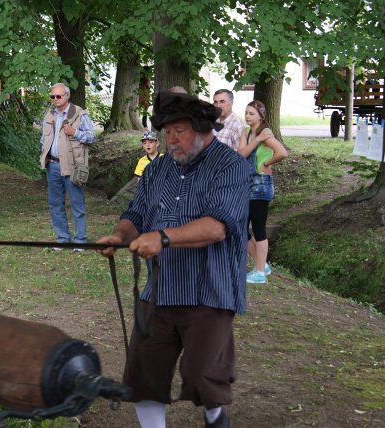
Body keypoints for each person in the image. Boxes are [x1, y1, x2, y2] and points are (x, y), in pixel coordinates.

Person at [97, 90, 250, 428]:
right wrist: (120, 235)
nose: (171, 139)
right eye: (167, 132)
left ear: (202, 128)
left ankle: (215, 415)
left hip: (210, 288)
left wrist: (164, 237)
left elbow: (217, 227)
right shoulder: (158, 169)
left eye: (179, 130)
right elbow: (135, 213)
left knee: (202, 374)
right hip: (160, 289)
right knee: (143, 373)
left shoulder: (231, 166)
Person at [39, 83, 96, 250]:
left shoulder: (79, 113)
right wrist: (46, 155)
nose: (55, 99)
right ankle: (63, 239)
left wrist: (75, 133)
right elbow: (44, 138)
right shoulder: (49, 114)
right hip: (53, 165)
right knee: (55, 204)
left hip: (73, 166)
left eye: (59, 96)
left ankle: (80, 241)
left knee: (77, 203)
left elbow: (92, 137)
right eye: (53, 97)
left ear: (67, 96)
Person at [237, 100, 288, 284]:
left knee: (258, 228)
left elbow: (282, 152)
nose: (248, 116)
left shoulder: (266, 134)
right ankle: (262, 264)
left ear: (260, 115)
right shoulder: (247, 132)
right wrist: (256, 140)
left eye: (251, 113)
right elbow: (241, 155)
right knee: (241, 228)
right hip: (245, 185)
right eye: (246, 112)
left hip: (261, 184)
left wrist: (266, 164)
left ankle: (259, 273)